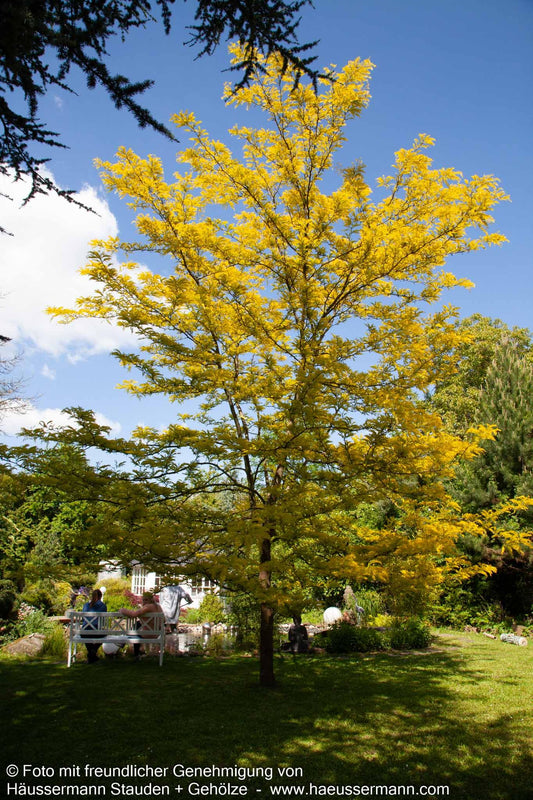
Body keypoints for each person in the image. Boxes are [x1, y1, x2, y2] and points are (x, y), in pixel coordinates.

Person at [120, 591, 163, 659]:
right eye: (143, 600)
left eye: (146, 600)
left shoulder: (148, 607)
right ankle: (136, 652)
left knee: (136, 628)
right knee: (137, 625)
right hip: (156, 634)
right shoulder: (158, 607)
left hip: (148, 634)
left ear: (151, 600)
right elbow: (164, 620)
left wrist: (122, 610)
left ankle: (133, 651)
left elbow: (133, 614)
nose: (144, 602)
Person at [82, 589, 107, 663]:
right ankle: (93, 652)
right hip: (97, 633)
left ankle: (91, 655)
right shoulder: (103, 606)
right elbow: (103, 621)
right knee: (104, 634)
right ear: (100, 596)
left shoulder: (86, 605)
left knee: (86, 634)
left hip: (85, 633)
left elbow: (83, 619)